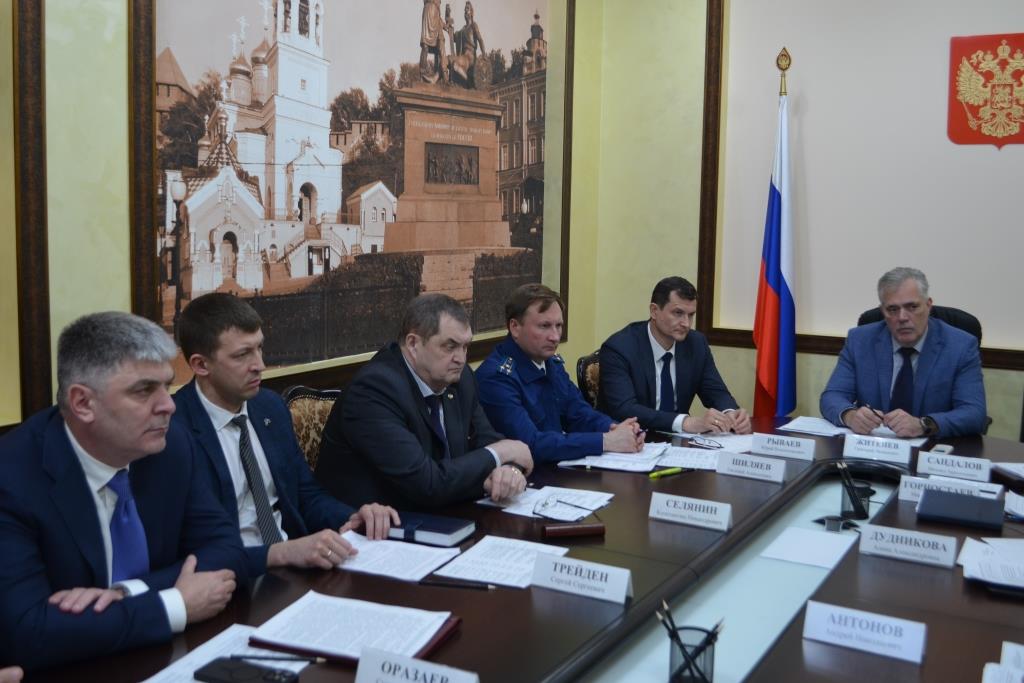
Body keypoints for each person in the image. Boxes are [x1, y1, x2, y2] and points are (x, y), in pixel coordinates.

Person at [0, 312, 246, 671]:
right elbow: (28, 631)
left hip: (164, 657)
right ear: (83, 403)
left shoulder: (171, 446)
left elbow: (227, 550)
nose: (169, 405)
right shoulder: (12, 478)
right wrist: (174, 604)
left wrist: (127, 593)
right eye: (144, 390)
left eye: (167, 386)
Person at [174, 294, 399, 578]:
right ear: (201, 365)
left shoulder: (269, 407)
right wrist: (279, 553)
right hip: (229, 579)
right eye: (242, 355)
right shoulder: (173, 431)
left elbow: (305, 495)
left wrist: (351, 517)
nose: (259, 364)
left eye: (259, 348)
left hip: (292, 569)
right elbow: (190, 544)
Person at [315, 293, 533, 509]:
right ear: (413, 344)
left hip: (447, 513)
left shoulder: (459, 378)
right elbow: (427, 485)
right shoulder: (374, 391)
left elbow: (488, 440)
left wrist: (509, 470)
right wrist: (502, 454)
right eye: (450, 346)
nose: (461, 358)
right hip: (378, 523)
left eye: (465, 346)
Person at [476, 284, 645, 463]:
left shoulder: (550, 363)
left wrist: (616, 429)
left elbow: (578, 412)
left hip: (559, 466)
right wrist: (606, 441)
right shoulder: (496, 378)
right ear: (515, 327)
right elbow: (530, 445)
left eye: (559, 326)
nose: (555, 337)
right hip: (526, 474)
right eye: (544, 326)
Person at [819, 267, 987, 438]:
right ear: (882, 311)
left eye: (912, 307)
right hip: (873, 447)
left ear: (928, 305)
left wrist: (924, 424)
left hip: (931, 447)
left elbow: (974, 413)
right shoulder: (860, 341)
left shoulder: (960, 346)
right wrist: (850, 416)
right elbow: (832, 396)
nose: (902, 317)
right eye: (892, 309)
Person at [599, 276, 751, 435]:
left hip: (678, 440)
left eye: (690, 315)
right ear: (654, 311)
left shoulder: (696, 344)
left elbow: (716, 392)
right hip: (632, 438)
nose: (686, 323)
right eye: (678, 313)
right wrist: (684, 422)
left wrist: (730, 413)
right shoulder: (619, 348)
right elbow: (625, 409)